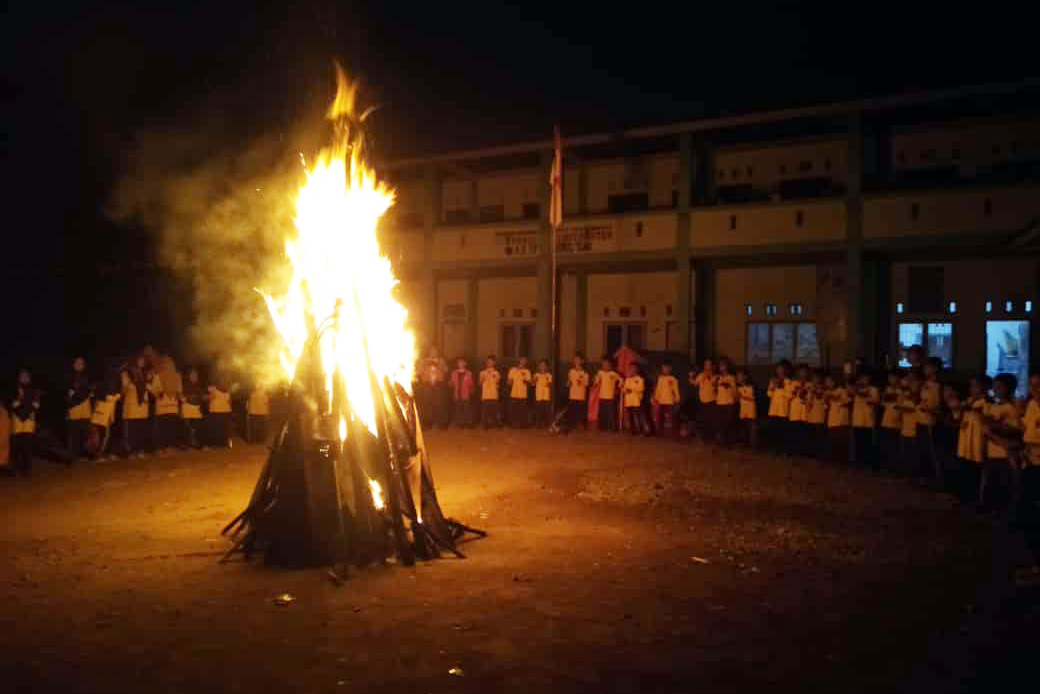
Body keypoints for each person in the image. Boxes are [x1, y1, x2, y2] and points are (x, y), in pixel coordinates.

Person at [981, 373, 1021, 514]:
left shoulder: (1011, 408)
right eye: (994, 386)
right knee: (992, 483)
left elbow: (1014, 430)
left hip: (1004, 453)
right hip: (992, 452)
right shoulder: (994, 406)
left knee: (1003, 483)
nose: (996, 390)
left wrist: (995, 428)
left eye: (999, 387)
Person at [1016, 372, 1040, 586]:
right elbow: (1027, 429)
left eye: (1039, 386)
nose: (1036, 391)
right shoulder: (1032, 404)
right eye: (1032, 386)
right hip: (1031, 465)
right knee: (1026, 516)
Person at [956, 375, 990, 504]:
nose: (972, 388)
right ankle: (965, 496)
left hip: (978, 441)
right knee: (966, 469)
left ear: (985, 387)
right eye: (971, 385)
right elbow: (959, 417)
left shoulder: (987, 402)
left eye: (975, 385)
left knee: (977, 470)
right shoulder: (968, 401)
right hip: (966, 441)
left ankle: (977, 499)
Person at [9, 370, 41, 476]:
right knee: (16, 445)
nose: (24, 378)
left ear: (29, 378)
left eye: (26, 376)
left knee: (27, 445)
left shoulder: (34, 390)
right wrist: (20, 398)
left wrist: (30, 412)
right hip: (17, 420)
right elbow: (13, 405)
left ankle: (27, 469)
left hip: (29, 420)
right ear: (18, 378)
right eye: (22, 376)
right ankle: (15, 468)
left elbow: (36, 404)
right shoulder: (14, 389)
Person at [917, 357, 944, 483]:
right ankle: (924, 475)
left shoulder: (939, 386)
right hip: (921, 419)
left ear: (935, 368)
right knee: (923, 449)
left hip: (931, 421)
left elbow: (939, 405)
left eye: (927, 367)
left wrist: (930, 410)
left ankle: (937, 477)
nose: (924, 369)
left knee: (933, 450)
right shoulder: (924, 384)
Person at [121, 355, 152, 458]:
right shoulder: (127, 372)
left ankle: (140, 450)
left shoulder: (145, 374)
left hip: (143, 406)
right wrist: (129, 384)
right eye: (140, 359)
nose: (142, 361)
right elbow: (124, 389)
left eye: (143, 360)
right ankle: (131, 451)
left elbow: (149, 388)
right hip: (132, 407)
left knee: (141, 429)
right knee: (132, 430)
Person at [851, 369, 881, 470]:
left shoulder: (873, 389)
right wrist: (856, 389)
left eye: (865, 378)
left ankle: (869, 463)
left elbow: (875, 401)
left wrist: (864, 394)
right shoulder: (855, 389)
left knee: (868, 442)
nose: (863, 380)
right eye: (861, 378)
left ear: (869, 378)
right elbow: (850, 395)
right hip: (857, 420)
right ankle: (859, 462)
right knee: (858, 442)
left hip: (868, 419)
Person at [66, 357, 93, 460]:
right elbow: (69, 393)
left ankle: (85, 453)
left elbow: (89, 390)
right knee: (74, 432)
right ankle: (72, 454)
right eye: (77, 363)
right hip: (74, 407)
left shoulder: (87, 377)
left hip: (85, 407)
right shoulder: (69, 376)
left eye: (81, 363)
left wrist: (88, 393)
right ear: (73, 364)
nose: (79, 365)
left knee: (85, 431)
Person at [417, 345, 449, 429]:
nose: (433, 353)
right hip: (427, 384)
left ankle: (441, 423)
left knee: (439, 403)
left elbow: (446, 370)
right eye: (431, 351)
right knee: (427, 403)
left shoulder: (441, 360)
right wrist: (425, 365)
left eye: (435, 351)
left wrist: (438, 364)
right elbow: (419, 372)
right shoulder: (423, 361)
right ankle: (427, 422)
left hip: (438, 383)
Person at [90, 373, 121, 460]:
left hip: (108, 416)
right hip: (100, 416)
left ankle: (102, 453)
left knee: (106, 435)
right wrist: (112, 397)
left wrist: (116, 396)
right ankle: (97, 454)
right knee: (100, 435)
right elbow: (98, 398)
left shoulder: (113, 392)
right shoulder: (102, 389)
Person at [151, 366, 181, 454]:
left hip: (173, 407)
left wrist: (177, 396)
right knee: (163, 429)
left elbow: (179, 390)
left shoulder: (176, 376)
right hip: (162, 408)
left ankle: (171, 447)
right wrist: (158, 393)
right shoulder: (158, 376)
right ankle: (162, 448)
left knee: (172, 429)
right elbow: (153, 390)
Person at [879, 369, 904, 470]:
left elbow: (900, 403)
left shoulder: (902, 390)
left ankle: (896, 466)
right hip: (886, 419)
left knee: (895, 445)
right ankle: (887, 465)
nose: (891, 380)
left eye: (892, 377)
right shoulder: (887, 389)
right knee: (887, 444)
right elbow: (883, 403)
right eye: (889, 378)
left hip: (897, 420)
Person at [825, 373, 851, 465]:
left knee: (841, 441)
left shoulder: (842, 390)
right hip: (832, 419)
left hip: (841, 420)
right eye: (826, 382)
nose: (827, 383)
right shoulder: (828, 392)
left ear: (834, 382)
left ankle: (843, 460)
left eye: (828, 381)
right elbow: (827, 405)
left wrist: (837, 398)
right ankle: (834, 459)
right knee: (833, 440)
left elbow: (847, 401)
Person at [767, 361, 792, 452]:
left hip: (783, 410)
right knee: (774, 430)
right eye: (778, 369)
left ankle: (784, 449)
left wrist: (782, 387)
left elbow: (789, 395)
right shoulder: (773, 380)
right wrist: (773, 386)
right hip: (774, 410)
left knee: (783, 431)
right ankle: (775, 449)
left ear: (785, 370)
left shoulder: (788, 381)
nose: (779, 371)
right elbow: (769, 394)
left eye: (781, 369)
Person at [692, 358, 718, 443]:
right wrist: (691, 377)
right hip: (702, 401)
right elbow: (695, 383)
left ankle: (711, 438)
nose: (707, 366)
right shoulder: (701, 375)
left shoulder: (716, 376)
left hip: (711, 401)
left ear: (713, 366)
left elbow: (714, 385)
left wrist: (709, 377)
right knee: (703, 420)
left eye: (709, 364)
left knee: (711, 420)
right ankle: (704, 438)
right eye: (706, 364)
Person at [787, 364, 810, 456]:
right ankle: (794, 450)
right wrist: (795, 390)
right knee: (794, 432)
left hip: (804, 411)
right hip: (795, 411)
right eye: (801, 371)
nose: (802, 373)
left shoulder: (809, 384)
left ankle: (803, 451)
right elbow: (788, 396)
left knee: (804, 432)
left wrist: (805, 393)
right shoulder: (793, 383)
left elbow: (809, 398)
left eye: (804, 371)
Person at [593, 358, 622, 432]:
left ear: (611, 365)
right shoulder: (600, 373)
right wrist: (594, 385)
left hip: (611, 396)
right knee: (602, 412)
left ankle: (612, 427)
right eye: (603, 364)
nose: (605, 366)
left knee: (611, 413)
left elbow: (621, 380)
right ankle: (602, 427)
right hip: (602, 396)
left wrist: (618, 388)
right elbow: (596, 381)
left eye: (607, 364)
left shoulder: (613, 374)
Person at [652, 363, 680, 438]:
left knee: (672, 417)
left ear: (670, 369)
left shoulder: (673, 379)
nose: (664, 370)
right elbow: (658, 389)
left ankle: (674, 433)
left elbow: (675, 389)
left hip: (670, 401)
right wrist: (656, 398)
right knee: (660, 417)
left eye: (666, 368)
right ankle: (660, 433)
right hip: (661, 401)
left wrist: (677, 399)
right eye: (663, 368)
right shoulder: (660, 378)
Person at [805, 370, 828, 459]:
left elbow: (823, 401)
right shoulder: (809, 388)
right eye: (813, 378)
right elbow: (807, 400)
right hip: (810, 415)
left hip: (819, 415)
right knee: (812, 435)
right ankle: (812, 453)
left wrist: (816, 392)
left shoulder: (822, 388)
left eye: (817, 378)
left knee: (819, 435)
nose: (815, 380)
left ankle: (820, 454)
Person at [181, 367, 205, 448]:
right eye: (192, 374)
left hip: (196, 408)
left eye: (195, 374)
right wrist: (188, 397)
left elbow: (201, 395)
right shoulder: (185, 383)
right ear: (189, 375)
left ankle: (196, 443)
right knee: (187, 427)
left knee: (196, 428)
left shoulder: (199, 384)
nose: (194, 376)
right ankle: (186, 444)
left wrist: (205, 397)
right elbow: (182, 394)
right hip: (187, 408)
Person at [715, 358, 737, 444]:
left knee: (729, 423)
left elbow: (734, 390)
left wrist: (728, 386)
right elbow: (716, 390)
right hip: (720, 402)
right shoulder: (718, 377)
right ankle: (721, 441)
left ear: (727, 367)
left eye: (723, 366)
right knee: (720, 423)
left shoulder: (731, 377)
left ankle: (730, 441)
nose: (722, 368)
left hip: (729, 403)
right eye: (720, 366)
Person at [622, 363, 648, 435]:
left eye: (633, 368)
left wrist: (631, 389)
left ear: (637, 369)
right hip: (629, 401)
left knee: (639, 416)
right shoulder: (627, 379)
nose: (632, 370)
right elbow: (624, 389)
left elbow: (641, 388)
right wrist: (625, 390)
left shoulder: (640, 379)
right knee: (630, 416)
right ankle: (633, 430)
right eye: (630, 369)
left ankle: (642, 430)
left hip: (637, 401)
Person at [207, 377, 233, 448]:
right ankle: (215, 444)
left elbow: (229, 401)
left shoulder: (228, 390)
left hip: (226, 412)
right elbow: (209, 398)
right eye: (221, 380)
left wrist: (230, 410)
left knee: (224, 429)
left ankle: (223, 443)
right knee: (216, 429)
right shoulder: (213, 389)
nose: (223, 382)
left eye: (224, 380)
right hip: (216, 412)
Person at [506, 357, 532, 428]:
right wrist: (509, 382)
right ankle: (513, 424)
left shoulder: (527, 371)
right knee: (514, 410)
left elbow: (529, 382)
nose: (523, 362)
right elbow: (509, 381)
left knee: (522, 410)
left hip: (523, 394)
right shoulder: (512, 370)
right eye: (522, 360)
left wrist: (526, 381)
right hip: (514, 393)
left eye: (525, 361)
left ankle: (523, 424)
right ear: (518, 361)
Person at [567, 354, 590, 431]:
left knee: (581, 411)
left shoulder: (585, 373)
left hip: (580, 395)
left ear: (582, 361)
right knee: (572, 411)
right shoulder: (571, 371)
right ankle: (572, 425)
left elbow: (586, 384)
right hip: (572, 394)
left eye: (578, 360)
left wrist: (581, 382)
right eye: (575, 360)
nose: (576, 361)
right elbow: (569, 381)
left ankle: (581, 425)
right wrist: (568, 384)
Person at [450, 358, 475, 428]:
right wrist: (450, 384)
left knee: (466, 409)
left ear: (465, 363)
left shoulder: (469, 373)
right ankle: (459, 423)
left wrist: (471, 390)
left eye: (462, 362)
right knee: (458, 409)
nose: (460, 364)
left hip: (465, 394)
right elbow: (452, 383)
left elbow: (471, 383)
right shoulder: (454, 373)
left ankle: (467, 423)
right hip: (457, 394)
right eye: (459, 362)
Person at [736, 368, 758, 447]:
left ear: (745, 377)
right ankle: (745, 443)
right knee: (744, 428)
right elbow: (738, 399)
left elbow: (753, 398)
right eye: (737, 376)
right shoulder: (738, 387)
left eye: (740, 376)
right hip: (743, 410)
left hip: (751, 411)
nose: (738, 378)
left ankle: (753, 445)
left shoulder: (751, 386)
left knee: (752, 428)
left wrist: (742, 396)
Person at [479, 356, 501, 429]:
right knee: (485, 411)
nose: (489, 363)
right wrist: (482, 379)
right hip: (485, 394)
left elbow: (498, 383)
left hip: (494, 394)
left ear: (494, 363)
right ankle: (485, 425)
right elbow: (480, 383)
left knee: (494, 411)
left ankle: (496, 423)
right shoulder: (482, 372)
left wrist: (493, 377)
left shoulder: (496, 373)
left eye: (491, 362)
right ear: (486, 363)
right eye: (488, 362)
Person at [532, 360, 553, 429]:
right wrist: (534, 380)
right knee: (538, 411)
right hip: (538, 395)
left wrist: (548, 384)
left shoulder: (549, 375)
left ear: (546, 367)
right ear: (539, 367)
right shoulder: (536, 375)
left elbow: (550, 384)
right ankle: (538, 424)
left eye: (544, 366)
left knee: (547, 411)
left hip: (546, 395)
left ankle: (548, 424)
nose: (542, 367)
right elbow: (533, 384)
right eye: (541, 365)